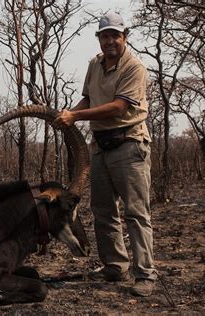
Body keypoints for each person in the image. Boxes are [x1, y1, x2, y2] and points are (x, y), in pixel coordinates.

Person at [54, 12, 157, 297]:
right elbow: (89, 97)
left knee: (136, 213)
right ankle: (115, 266)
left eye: (115, 35)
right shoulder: (94, 64)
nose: (110, 40)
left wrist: (75, 116)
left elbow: (119, 107)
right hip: (99, 146)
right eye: (105, 35)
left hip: (129, 145)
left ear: (124, 37)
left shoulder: (134, 67)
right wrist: (69, 114)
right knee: (103, 210)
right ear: (99, 39)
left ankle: (145, 274)